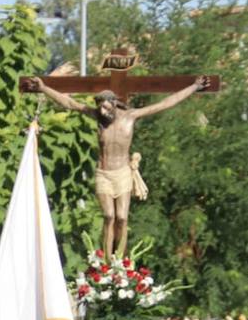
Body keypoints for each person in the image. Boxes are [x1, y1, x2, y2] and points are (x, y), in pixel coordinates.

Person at [27, 75, 209, 256]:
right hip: (103, 173)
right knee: (109, 216)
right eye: (99, 107)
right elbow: (69, 103)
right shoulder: (97, 117)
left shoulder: (131, 116)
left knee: (121, 218)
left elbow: (165, 103)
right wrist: (43, 88)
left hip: (122, 173)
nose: (102, 111)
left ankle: (118, 260)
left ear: (114, 104)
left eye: (105, 107)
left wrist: (193, 87)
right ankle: (106, 263)